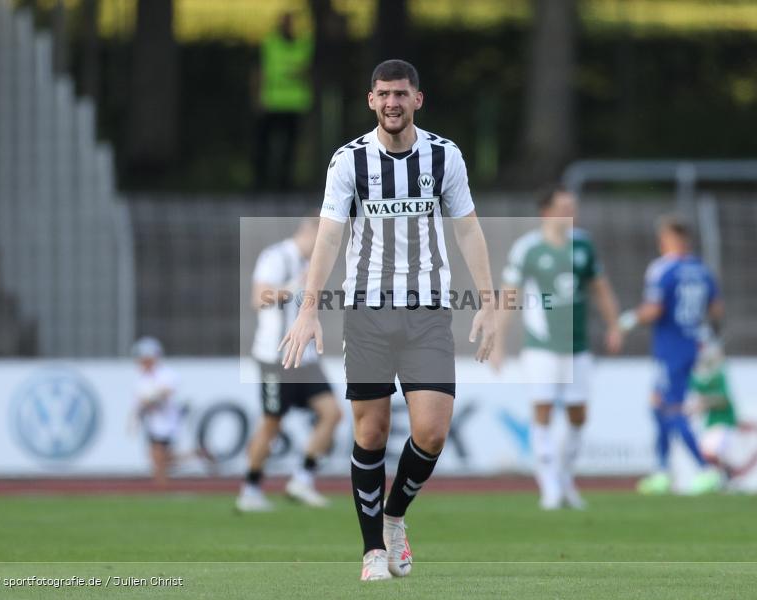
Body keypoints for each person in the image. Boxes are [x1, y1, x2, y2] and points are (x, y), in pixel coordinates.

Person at [279, 59, 497, 581]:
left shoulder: (445, 157)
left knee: (431, 431)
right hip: (368, 315)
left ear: (418, 99)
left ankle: (394, 516)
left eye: (401, 93)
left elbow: (467, 229)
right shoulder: (348, 162)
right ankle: (372, 549)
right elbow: (329, 236)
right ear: (371, 100)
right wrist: (309, 307)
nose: (392, 102)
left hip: (427, 312)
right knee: (371, 432)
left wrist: (489, 299)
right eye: (383, 94)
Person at [492, 186, 623, 510]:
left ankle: (565, 477)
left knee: (578, 415)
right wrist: (497, 341)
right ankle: (548, 484)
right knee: (544, 410)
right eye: (564, 206)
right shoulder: (529, 249)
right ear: (546, 212)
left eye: (573, 206)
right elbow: (510, 294)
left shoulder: (584, 244)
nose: (570, 213)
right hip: (541, 347)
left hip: (577, 346)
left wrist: (614, 324)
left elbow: (600, 287)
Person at [236, 217, 343, 512]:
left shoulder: (314, 263)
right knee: (272, 423)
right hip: (275, 358)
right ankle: (251, 487)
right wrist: (292, 287)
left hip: (305, 357)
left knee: (333, 413)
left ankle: (302, 479)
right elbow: (258, 299)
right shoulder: (276, 257)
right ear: (308, 231)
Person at [618, 216, 724, 495]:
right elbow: (716, 311)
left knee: (673, 408)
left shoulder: (662, 269)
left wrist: (626, 322)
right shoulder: (701, 269)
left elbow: (654, 310)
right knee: (657, 404)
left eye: (662, 238)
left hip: (671, 348)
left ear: (670, 239)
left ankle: (706, 470)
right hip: (694, 345)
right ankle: (662, 472)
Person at [686, 340, 757, 485]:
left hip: (724, 423)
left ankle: (723, 479)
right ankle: (725, 479)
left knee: (708, 452)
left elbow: (723, 399)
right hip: (711, 424)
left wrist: (702, 405)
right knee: (710, 454)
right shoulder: (699, 378)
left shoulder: (719, 375)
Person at [131, 337, 210, 486]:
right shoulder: (141, 379)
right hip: (152, 422)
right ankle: (195, 455)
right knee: (161, 458)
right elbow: (139, 403)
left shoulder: (166, 374)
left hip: (166, 422)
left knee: (158, 457)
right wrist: (134, 420)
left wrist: (150, 399)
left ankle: (161, 488)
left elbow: (166, 391)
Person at [251, 12, 314, 190]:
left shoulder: (304, 43)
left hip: (295, 103)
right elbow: (259, 71)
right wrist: (257, 97)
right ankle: (261, 183)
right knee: (264, 145)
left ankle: (285, 184)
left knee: (290, 148)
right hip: (271, 102)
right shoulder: (270, 43)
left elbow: (309, 70)